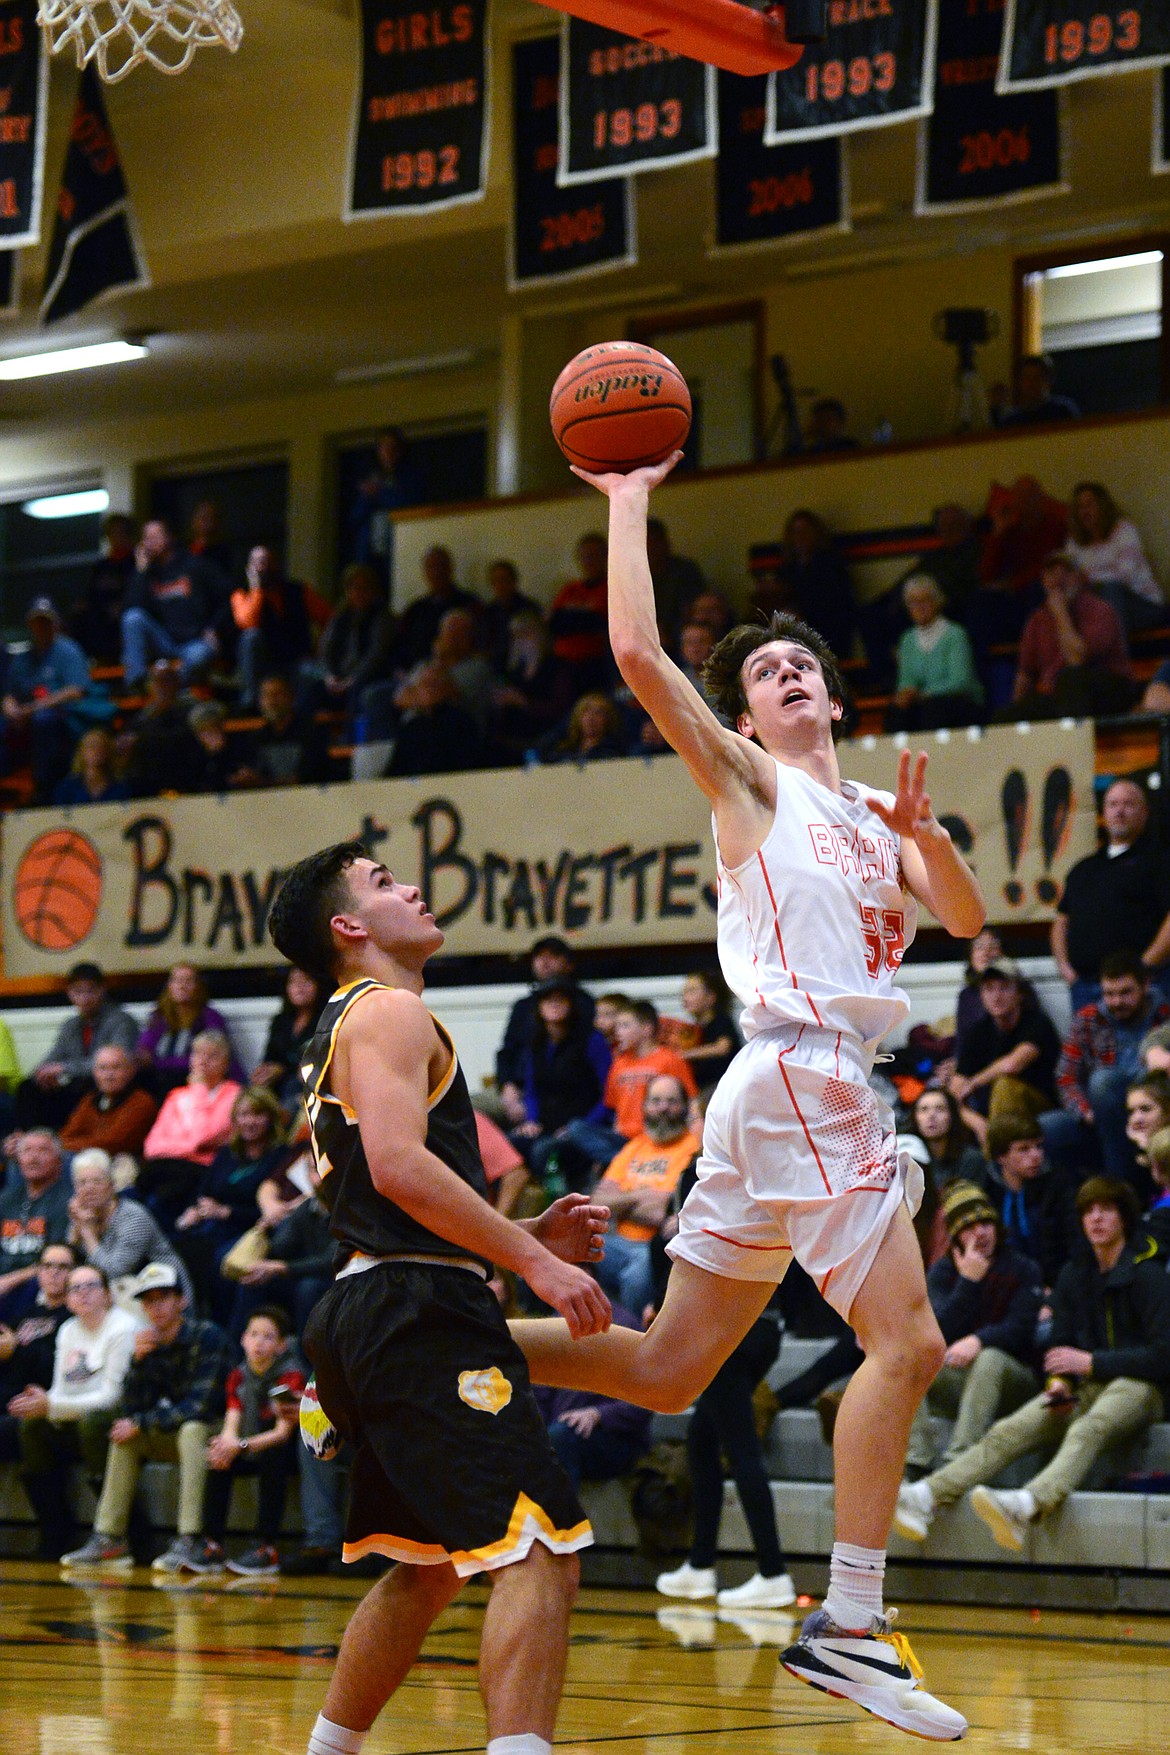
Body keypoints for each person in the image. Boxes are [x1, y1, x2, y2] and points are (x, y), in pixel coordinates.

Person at [509, 450, 983, 1739]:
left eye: (799, 665)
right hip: (801, 1074)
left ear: (832, 689)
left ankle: (426, 1350)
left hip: (779, 1095)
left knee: (664, 1370)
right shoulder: (750, 784)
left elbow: (966, 914)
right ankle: (848, 1621)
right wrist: (624, 497)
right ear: (750, 719)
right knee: (913, 1344)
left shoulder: (878, 810)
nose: (787, 678)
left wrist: (929, 843)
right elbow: (638, 658)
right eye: (764, 675)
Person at [265, 841, 612, 1755]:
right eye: (383, 883)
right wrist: (536, 1264)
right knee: (538, 1546)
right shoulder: (388, 1012)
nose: (409, 887)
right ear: (348, 927)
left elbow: (380, 1193)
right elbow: (400, 1168)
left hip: (375, 1301)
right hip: (413, 1309)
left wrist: (523, 1236)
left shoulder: (346, 1023)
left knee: (427, 1567)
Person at [894, 1176, 1168, 1552]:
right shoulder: (1076, 1273)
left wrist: (1091, 1362)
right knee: (1011, 1428)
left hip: (1141, 1387)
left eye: (1106, 1210)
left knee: (1089, 1427)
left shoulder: (1149, 1274)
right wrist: (1060, 1381)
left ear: (1124, 1217)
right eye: (1089, 1211)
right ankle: (927, 1494)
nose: (1096, 1219)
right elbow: (1060, 1344)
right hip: (1085, 1386)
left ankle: (1030, 1503)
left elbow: (1163, 1355)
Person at [61, 1260, 233, 1573]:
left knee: (192, 1429)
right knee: (125, 1437)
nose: (156, 1307)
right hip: (173, 1431)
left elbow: (202, 1405)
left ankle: (191, 1539)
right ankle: (109, 1537)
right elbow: (132, 1410)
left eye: (163, 1298)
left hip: (220, 1433)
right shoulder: (147, 1342)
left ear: (181, 1301)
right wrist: (138, 1363)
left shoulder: (207, 1336)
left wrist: (141, 1423)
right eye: (148, 1301)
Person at [903, 1181, 1042, 1477]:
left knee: (989, 1357)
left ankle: (959, 1460)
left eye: (986, 1223)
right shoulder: (943, 1272)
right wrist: (968, 1283)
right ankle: (917, 1458)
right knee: (908, 1358)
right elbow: (934, 1331)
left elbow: (1021, 1330)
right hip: (960, 1377)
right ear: (955, 1236)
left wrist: (979, 1340)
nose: (980, 1233)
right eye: (969, 1227)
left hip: (1014, 1379)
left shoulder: (1023, 1268)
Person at [13, 1260, 139, 1558]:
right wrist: (43, 1400)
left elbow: (113, 1397)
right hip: (77, 1417)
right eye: (75, 1288)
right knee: (31, 1427)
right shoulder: (68, 1329)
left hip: (115, 1418)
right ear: (67, 1300)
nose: (83, 1293)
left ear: (107, 1295)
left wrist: (52, 1405)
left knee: (93, 1423)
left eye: (91, 1286)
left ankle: (128, 1530)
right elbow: (60, 1389)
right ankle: (55, 1528)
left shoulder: (123, 1327)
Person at [190, 1305, 307, 1576]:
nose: (259, 1342)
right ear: (243, 1339)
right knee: (218, 1456)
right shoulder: (238, 1375)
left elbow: (282, 1434)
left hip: (284, 1450)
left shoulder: (289, 1374)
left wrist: (240, 1445)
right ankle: (212, 1544)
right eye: (254, 1334)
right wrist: (226, 1445)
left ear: (280, 1345)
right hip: (250, 1443)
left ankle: (266, 1548)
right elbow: (232, 1423)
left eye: (268, 1337)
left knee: (273, 1457)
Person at [1041, 954, 1170, 1187]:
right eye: (1109, 994)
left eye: (1125, 992)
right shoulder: (1089, 1019)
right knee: (1047, 1128)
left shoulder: (1165, 1015)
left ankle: (1119, 1189)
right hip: (1099, 1117)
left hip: (1153, 1114)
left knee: (1107, 1080)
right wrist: (1086, 1112)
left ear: (1145, 985)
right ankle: (1078, 1205)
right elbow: (1065, 1077)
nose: (1117, 1001)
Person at [1051, 778, 1170, 1013]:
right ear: (1104, 812)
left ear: (1144, 812)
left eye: (1128, 804)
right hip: (1085, 987)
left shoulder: (1160, 861)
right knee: (1087, 1050)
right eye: (1113, 804)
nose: (1120, 811)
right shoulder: (1083, 868)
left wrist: (1143, 967)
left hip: (1143, 986)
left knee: (1149, 1049)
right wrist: (1067, 970)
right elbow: (1061, 921)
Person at [173, 1089, 290, 1318]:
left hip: (251, 1229)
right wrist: (195, 1210)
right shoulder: (227, 1152)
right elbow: (204, 1190)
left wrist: (227, 1212)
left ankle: (220, 1322)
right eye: (244, 1115)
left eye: (257, 1115)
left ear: (270, 1118)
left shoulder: (280, 1155)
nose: (250, 1122)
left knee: (221, 1261)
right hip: (214, 1225)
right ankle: (190, 1316)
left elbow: (270, 1210)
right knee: (180, 1245)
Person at [591, 1077, 698, 1315]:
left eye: (672, 1101)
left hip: (656, 1245)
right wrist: (642, 1195)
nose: (663, 1108)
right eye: (656, 1101)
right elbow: (597, 1202)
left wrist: (622, 1199)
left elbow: (662, 1211)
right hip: (616, 1241)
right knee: (567, 1250)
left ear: (684, 1107)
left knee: (636, 1274)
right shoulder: (635, 1147)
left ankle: (638, 1340)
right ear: (645, 1106)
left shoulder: (692, 1148)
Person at [994, 550, 1133, 722]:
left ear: (1080, 578)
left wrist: (1060, 612)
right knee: (1003, 718)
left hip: (1107, 688)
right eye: (1052, 572)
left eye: (1067, 572)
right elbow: (1025, 674)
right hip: (1059, 694)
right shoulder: (1037, 619)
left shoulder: (1099, 610)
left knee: (1070, 679)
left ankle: (1076, 745)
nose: (1059, 578)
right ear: (1044, 581)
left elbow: (1076, 659)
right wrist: (1016, 713)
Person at [533, 1304, 652, 1495]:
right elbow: (539, 1398)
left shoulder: (623, 1327)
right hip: (559, 1430)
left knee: (560, 1438)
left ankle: (561, 1521)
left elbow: (646, 1399)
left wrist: (598, 1414)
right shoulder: (554, 1326)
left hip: (614, 1437)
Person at [2, 598, 111, 802]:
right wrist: (10, 708)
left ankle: (44, 791)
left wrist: (32, 708)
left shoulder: (68, 650)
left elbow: (76, 690)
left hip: (65, 721)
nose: (41, 626)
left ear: (56, 623)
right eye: (37, 622)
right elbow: (10, 693)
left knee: (44, 720)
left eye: (46, 621)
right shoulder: (23, 658)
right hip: (25, 721)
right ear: (30, 625)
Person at [947, 957, 1060, 1146]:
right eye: (989, 989)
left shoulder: (1037, 1023)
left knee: (1004, 1087)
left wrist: (974, 1082)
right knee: (939, 1104)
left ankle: (999, 1160)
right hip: (990, 1114)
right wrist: (978, 1124)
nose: (996, 996)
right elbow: (954, 1092)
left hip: (1039, 1107)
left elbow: (1012, 1065)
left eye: (1004, 988)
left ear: (1019, 994)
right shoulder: (978, 1031)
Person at [509, 977, 611, 1187]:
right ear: (539, 1007)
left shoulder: (592, 1040)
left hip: (580, 1126)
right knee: (509, 1145)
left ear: (571, 1005)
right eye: (548, 999)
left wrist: (581, 1126)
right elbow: (531, 1090)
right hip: (544, 1125)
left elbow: (608, 1093)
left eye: (561, 999)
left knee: (544, 1151)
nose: (554, 1004)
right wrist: (531, 1120)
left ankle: (558, 1208)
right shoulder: (535, 1042)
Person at [15, 960, 138, 1132]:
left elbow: (118, 1064)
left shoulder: (121, 1021)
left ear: (102, 990)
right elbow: (52, 1059)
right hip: (76, 1084)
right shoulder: (71, 1025)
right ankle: (28, 1142)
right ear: (70, 994)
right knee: (28, 1087)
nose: (84, 998)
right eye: (78, 992)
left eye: (90, 991)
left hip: (102, 1085)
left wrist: (63, 1068)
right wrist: (44, 1074)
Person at [137, 1031, 244, 1229]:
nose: (203, 1061)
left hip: (202, 1173)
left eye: (212, 1055)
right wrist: (191, 1148)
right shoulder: (176, 1095)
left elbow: (202, 1138)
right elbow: (152, 1147)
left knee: (157, 1204)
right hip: (165, 1168)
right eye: (197, 1054)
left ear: (226, 1063)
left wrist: (199, 1089)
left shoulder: (234, 1094)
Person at [66, 1148, 192, 1303]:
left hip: (161, 1295)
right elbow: (70, 1262)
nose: (89, 1188)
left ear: (112, 1186)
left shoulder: (133, 1217)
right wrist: (76, 1228)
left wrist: (87, 1232)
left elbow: (114, 1272)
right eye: (82, 1183)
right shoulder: (84, 1216)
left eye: (97, 1181)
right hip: (117, 1295)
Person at [496, 937, 595, 1132]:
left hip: (561, 1092)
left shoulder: (584, 1003)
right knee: (468, 1107)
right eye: (539, 957)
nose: (545, 962)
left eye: (553, 956)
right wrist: (507, 1087)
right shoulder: (523, 1007)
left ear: (568, 964)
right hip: (518, 1086)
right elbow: (507, 1051)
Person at [121, 518, 230, 690]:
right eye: (146, 538)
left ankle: (171, 691)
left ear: (169, 537)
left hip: (195, 641)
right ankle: (136, 683)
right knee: (132, 618)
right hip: (164, 640)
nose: (150, 542)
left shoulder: (195, 564)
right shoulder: (147, 573)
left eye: (155, 536)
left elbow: (226, 597)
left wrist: (214, 627)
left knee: (199, 656)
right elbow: (131, 608)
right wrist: (141, 571)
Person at [982, 1115, 1079, 1291]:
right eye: (1024, 1149)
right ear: (1001, 1157)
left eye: (1039, 1146)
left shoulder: (1060, 1186)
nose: (1036, 1156)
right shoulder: (987, 1191)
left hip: (1057, 1286)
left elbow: (1072, 1247)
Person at [0, 1243, 75, 1465]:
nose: (54, 1272)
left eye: (62, 1267)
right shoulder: (25, 1313)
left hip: (40, 1400)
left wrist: (16, 1350)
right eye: (47, 1266)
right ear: (39, 1272)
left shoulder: (74, 1318)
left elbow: (57, 1369)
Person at [231, 545, 326, 708]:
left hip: (295, 663)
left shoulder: (298, 591)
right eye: (259, 563)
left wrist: (319, 650)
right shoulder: (241, 594)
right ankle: (250, 704)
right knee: (251, 637)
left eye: (269, 562)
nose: (265, 567)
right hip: (262, 667)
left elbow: (330, 619)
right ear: (249, 569)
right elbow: (248, 623)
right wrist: (256, 589)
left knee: (319, 674)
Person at [1065, 481, 1164, 636]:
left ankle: (1113, 657)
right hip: (1096, 608)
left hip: (1142, 605)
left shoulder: (1124, 530)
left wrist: (1087, 578)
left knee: (1110, 589)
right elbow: (1070, 579)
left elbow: (1124, 575)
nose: (1085, 511)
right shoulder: (1074, 543)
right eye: (1080, 507)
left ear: (1102, 505)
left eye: (1090, 504)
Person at [885, 577, 982, 733]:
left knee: (934, 710)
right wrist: (907, 694)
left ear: (937, 602)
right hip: (922, 703)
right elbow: (905, 681)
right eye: (913, 602)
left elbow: (960, 681)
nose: (919, 607)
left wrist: (925, 694)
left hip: (957, 702)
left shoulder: (955, 634)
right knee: (896, 711)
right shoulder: (907, 640)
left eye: (925, 600)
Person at [136, 962, 243, 1094]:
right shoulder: (159, 1017)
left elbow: (212, 1058)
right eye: (177, 980)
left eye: (188, 981)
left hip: (198, 1080)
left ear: (198, 986)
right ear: (169, 986)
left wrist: (159, 1063)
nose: (182, 986)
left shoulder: (209, 1017)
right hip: (161, 1082)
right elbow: (145, 1049)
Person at [0, 1132, 73, 1303]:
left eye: (43, 1150)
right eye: (27, 1151)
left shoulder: (67, 1201)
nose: (33, 1158)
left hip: (38, 1284)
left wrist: (10, 1280)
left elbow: (58, 1260)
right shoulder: (5, 1200)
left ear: (59, 1160)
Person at [59, 1043, 158, 1168]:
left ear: (131, 1070)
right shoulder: (90, 1100)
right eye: (103, 1068)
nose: (108, 1075)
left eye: (116, 1068)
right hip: (83, 1160)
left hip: (122, 1165)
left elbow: (113, 1143)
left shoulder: (142, 1102)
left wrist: (68, 1146)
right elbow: (67, 1134)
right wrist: (63, 1145)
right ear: (94, 1072)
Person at [349, 426, 424, 585]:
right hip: (369, 550)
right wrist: (366, 496)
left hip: (398, 546)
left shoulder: (410, 477)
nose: (388, 452)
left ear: (400, 450)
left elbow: (408, 508)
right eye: (383, 447)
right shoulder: (371, 476)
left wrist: (380, 493)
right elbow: (356, 517)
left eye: (392, 447)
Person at [252, 966, 323, 1112]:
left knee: (293, 1085)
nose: (299, 987)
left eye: (306, 981)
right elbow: (270, 1056)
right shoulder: (280, 1021)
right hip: (278, 1082)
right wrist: (264, 1071)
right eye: (294, 982)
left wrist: (282, 1069)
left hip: (307, 1084)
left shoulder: (326, 1019)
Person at [548, 532, 611, 694]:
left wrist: (575, 619)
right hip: (561, 663)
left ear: (605, 557)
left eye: (595, 556)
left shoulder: (612, 588)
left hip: (594, 663)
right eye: (586, 557)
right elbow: (555, 624)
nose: (590, 562)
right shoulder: (570, 589)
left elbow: (603, 625)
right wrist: (588, 619)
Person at [70, 511, 137, 662]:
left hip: (124, 614)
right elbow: (90, 595)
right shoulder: (101, 566)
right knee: (81, 615)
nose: (116, 536)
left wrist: (123, 606)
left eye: (120, 532)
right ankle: (88, 661)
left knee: (129, 618)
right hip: (102, 616)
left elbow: (140, 594)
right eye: (112, 533)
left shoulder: (136, 563)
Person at [907, 1089, 986, 1195]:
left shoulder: (972, 1159)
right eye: (924, 1109)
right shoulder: (908, 1157)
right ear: (915, 1118)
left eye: (940, 1109)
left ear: (952, 1116)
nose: (931, 1115)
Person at [674, 971, 742, 1090]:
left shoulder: (721, 1021)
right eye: (684, 992)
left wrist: (685, 1054)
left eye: (692, 991)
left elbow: (722, 1048)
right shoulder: (695, 1028)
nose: (685, 998)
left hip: (721, 1087)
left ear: (711, 997)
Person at [645, 517, 706, 644]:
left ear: (666, 543)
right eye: (647, 544)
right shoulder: (637, 578)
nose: (651, 548)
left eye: (655, 543)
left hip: (681, 635)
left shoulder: (685, 571)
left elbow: (694, 609)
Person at [995, 353, 1080, 427]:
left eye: (1037, 377)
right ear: (1020, 382)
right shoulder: (1012, 420)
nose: (1031, 383)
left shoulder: (1063, 411)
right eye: (1027, 378)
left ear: (1049, 380)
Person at [542, 692, 627, 764]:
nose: (591, 717)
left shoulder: (611, 753)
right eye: (586, 711)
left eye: (598, 712)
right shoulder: (564, 750)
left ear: (609, 719)